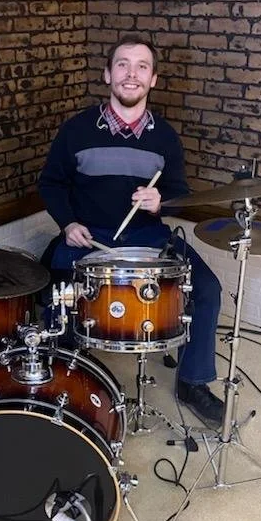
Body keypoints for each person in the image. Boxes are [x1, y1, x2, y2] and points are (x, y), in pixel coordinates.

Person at [37, 34, 223, 425]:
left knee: (207, 289)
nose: (131, 74)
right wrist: (67, 223)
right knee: (56, 288)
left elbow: (178, 192)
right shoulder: (77, 129)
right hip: (88, 233)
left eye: (142, 66)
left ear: (153, 79)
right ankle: (67, 378)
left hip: (147, 236)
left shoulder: (165, 137)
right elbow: (51, 183)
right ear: (108, 74)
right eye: (122, 64)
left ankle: (194, 381)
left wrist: (162, 202)